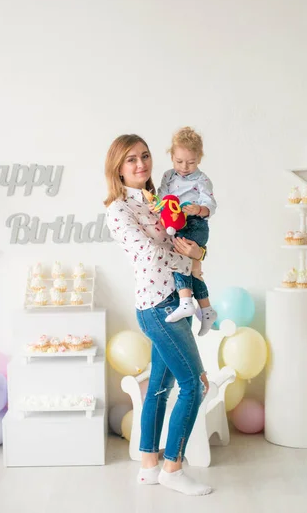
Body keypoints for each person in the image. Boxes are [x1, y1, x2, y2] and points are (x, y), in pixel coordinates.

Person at [105, 134, 212, 496]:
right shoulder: (119, 210)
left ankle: (149, 465)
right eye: (131, 160)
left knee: (161, 387)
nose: (141, 164)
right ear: (118, 169)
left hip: (173, 300)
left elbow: (183, 240)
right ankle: (173, 468)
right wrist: (192, 258)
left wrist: (200, 251)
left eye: (145, 156)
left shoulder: (159, 199)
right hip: (157, 306)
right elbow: (151, 255)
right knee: (194, 385)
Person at [156, 127, 217, 336]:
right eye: (179, 161)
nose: (184, 167)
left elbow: (211, 205)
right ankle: (207, 310)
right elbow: (162, 197)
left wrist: (198, 209)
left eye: (190, 162)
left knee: (180, 260)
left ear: (199, 158)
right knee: (193, 270)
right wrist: (165, 209)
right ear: (171, 156)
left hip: (195, 225)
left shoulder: (202, 180)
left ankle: (185, 301)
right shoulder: (168, 176)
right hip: (175, 223)